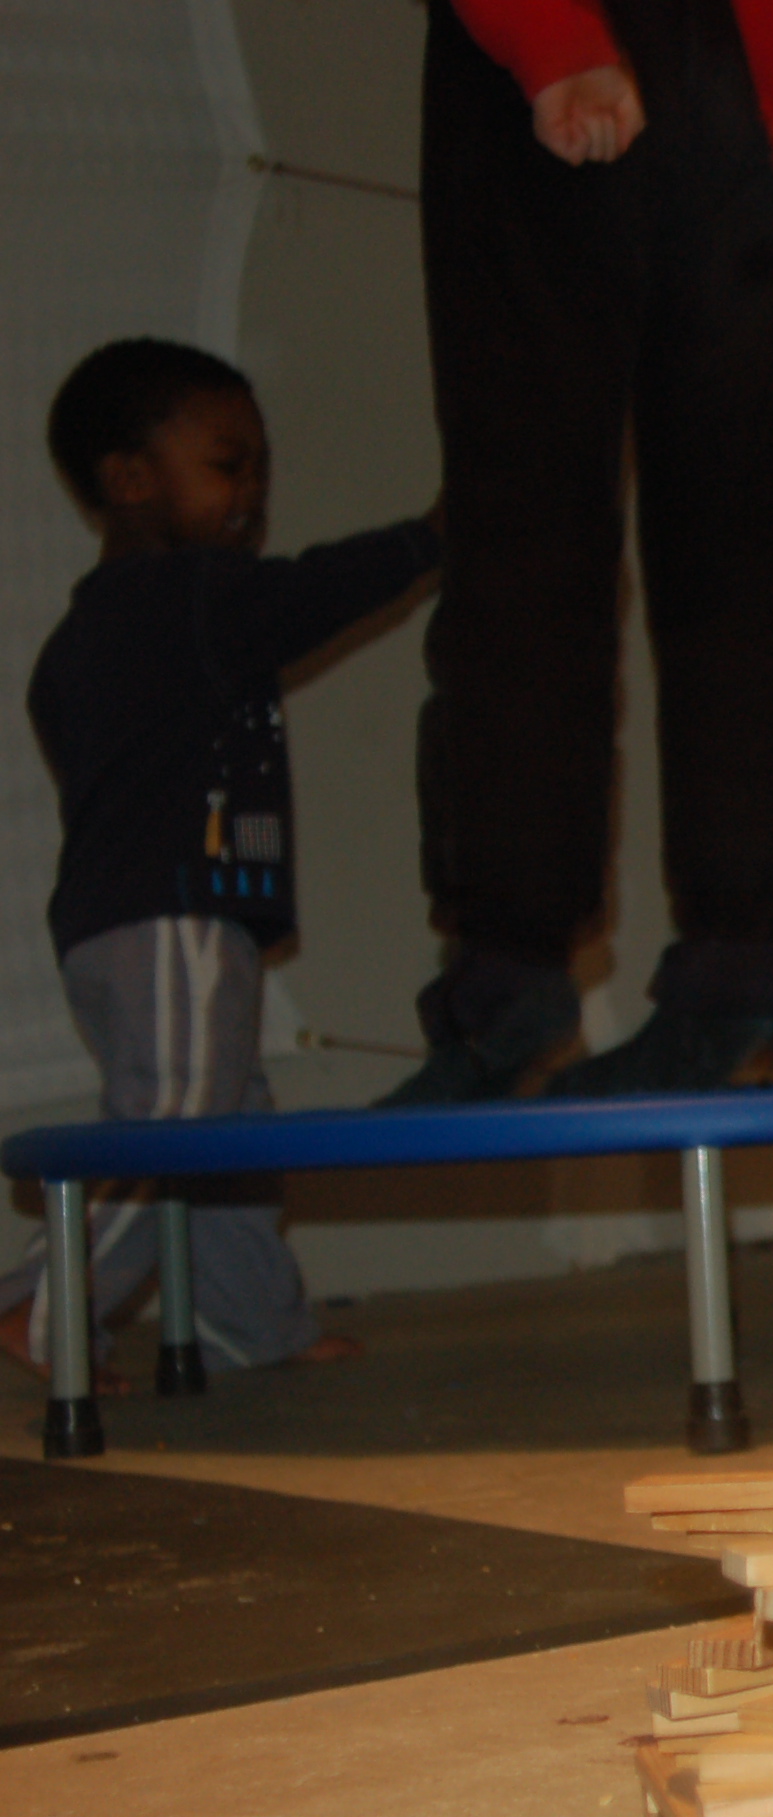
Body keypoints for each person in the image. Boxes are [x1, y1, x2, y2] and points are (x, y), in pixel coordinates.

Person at [385, 0, 773, 1103]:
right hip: (740, 59)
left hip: (583, 41)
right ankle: (746, 961)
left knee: (527, 516)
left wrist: (549, 36)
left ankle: (508, 981)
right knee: (740, 517)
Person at [1, 339, 441, 1389]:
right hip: (170, 918)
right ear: (129, 479)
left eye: (260, 471)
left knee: (230, 1128)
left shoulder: (81, 640)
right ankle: (46, 1306)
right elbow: (309, 593)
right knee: (183, 1124)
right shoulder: (186, 595)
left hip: (133, 923)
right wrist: (430, 538)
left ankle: (254, 1326)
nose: (251, 494)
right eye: (227, 465)